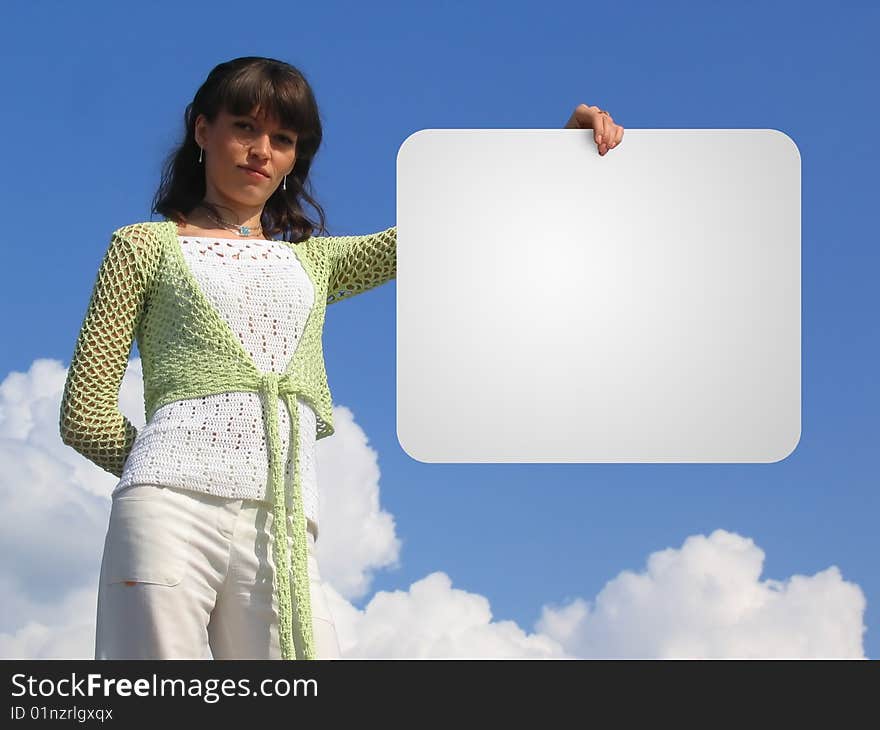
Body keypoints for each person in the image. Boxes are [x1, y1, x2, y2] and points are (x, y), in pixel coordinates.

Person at [59, 56, 624, 660]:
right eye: (245, 127)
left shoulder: (315, 262)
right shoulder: (141, 247)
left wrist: (553, 157)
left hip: (284, 524)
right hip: (166, 512)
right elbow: (84, 415)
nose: (261, 151)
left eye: (283, 139)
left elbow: (441, 230)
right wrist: (167, 468)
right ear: (203, 130)